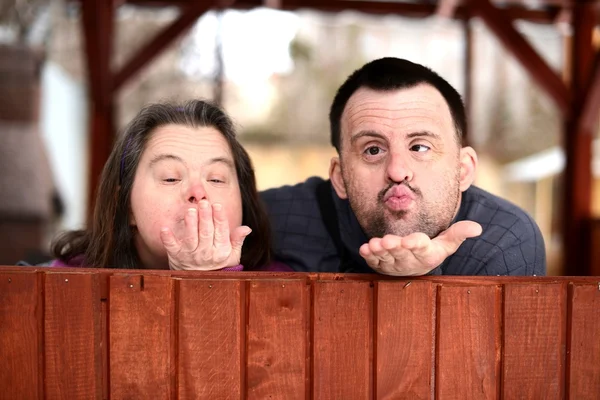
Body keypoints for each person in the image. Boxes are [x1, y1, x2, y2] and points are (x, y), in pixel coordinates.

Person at [261, 57, 546, 276]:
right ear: (339, 178)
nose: (397, 171)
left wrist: (418, 280)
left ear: (463, 169)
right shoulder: (278, 216)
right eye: (373, 150)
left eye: (420, 147)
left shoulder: (503, 241)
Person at [51, 99, 290, 272]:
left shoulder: (286, 289)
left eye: (216, 179)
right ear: (125, 206)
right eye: (170, 178)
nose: (198, 193)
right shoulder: (65, 281)